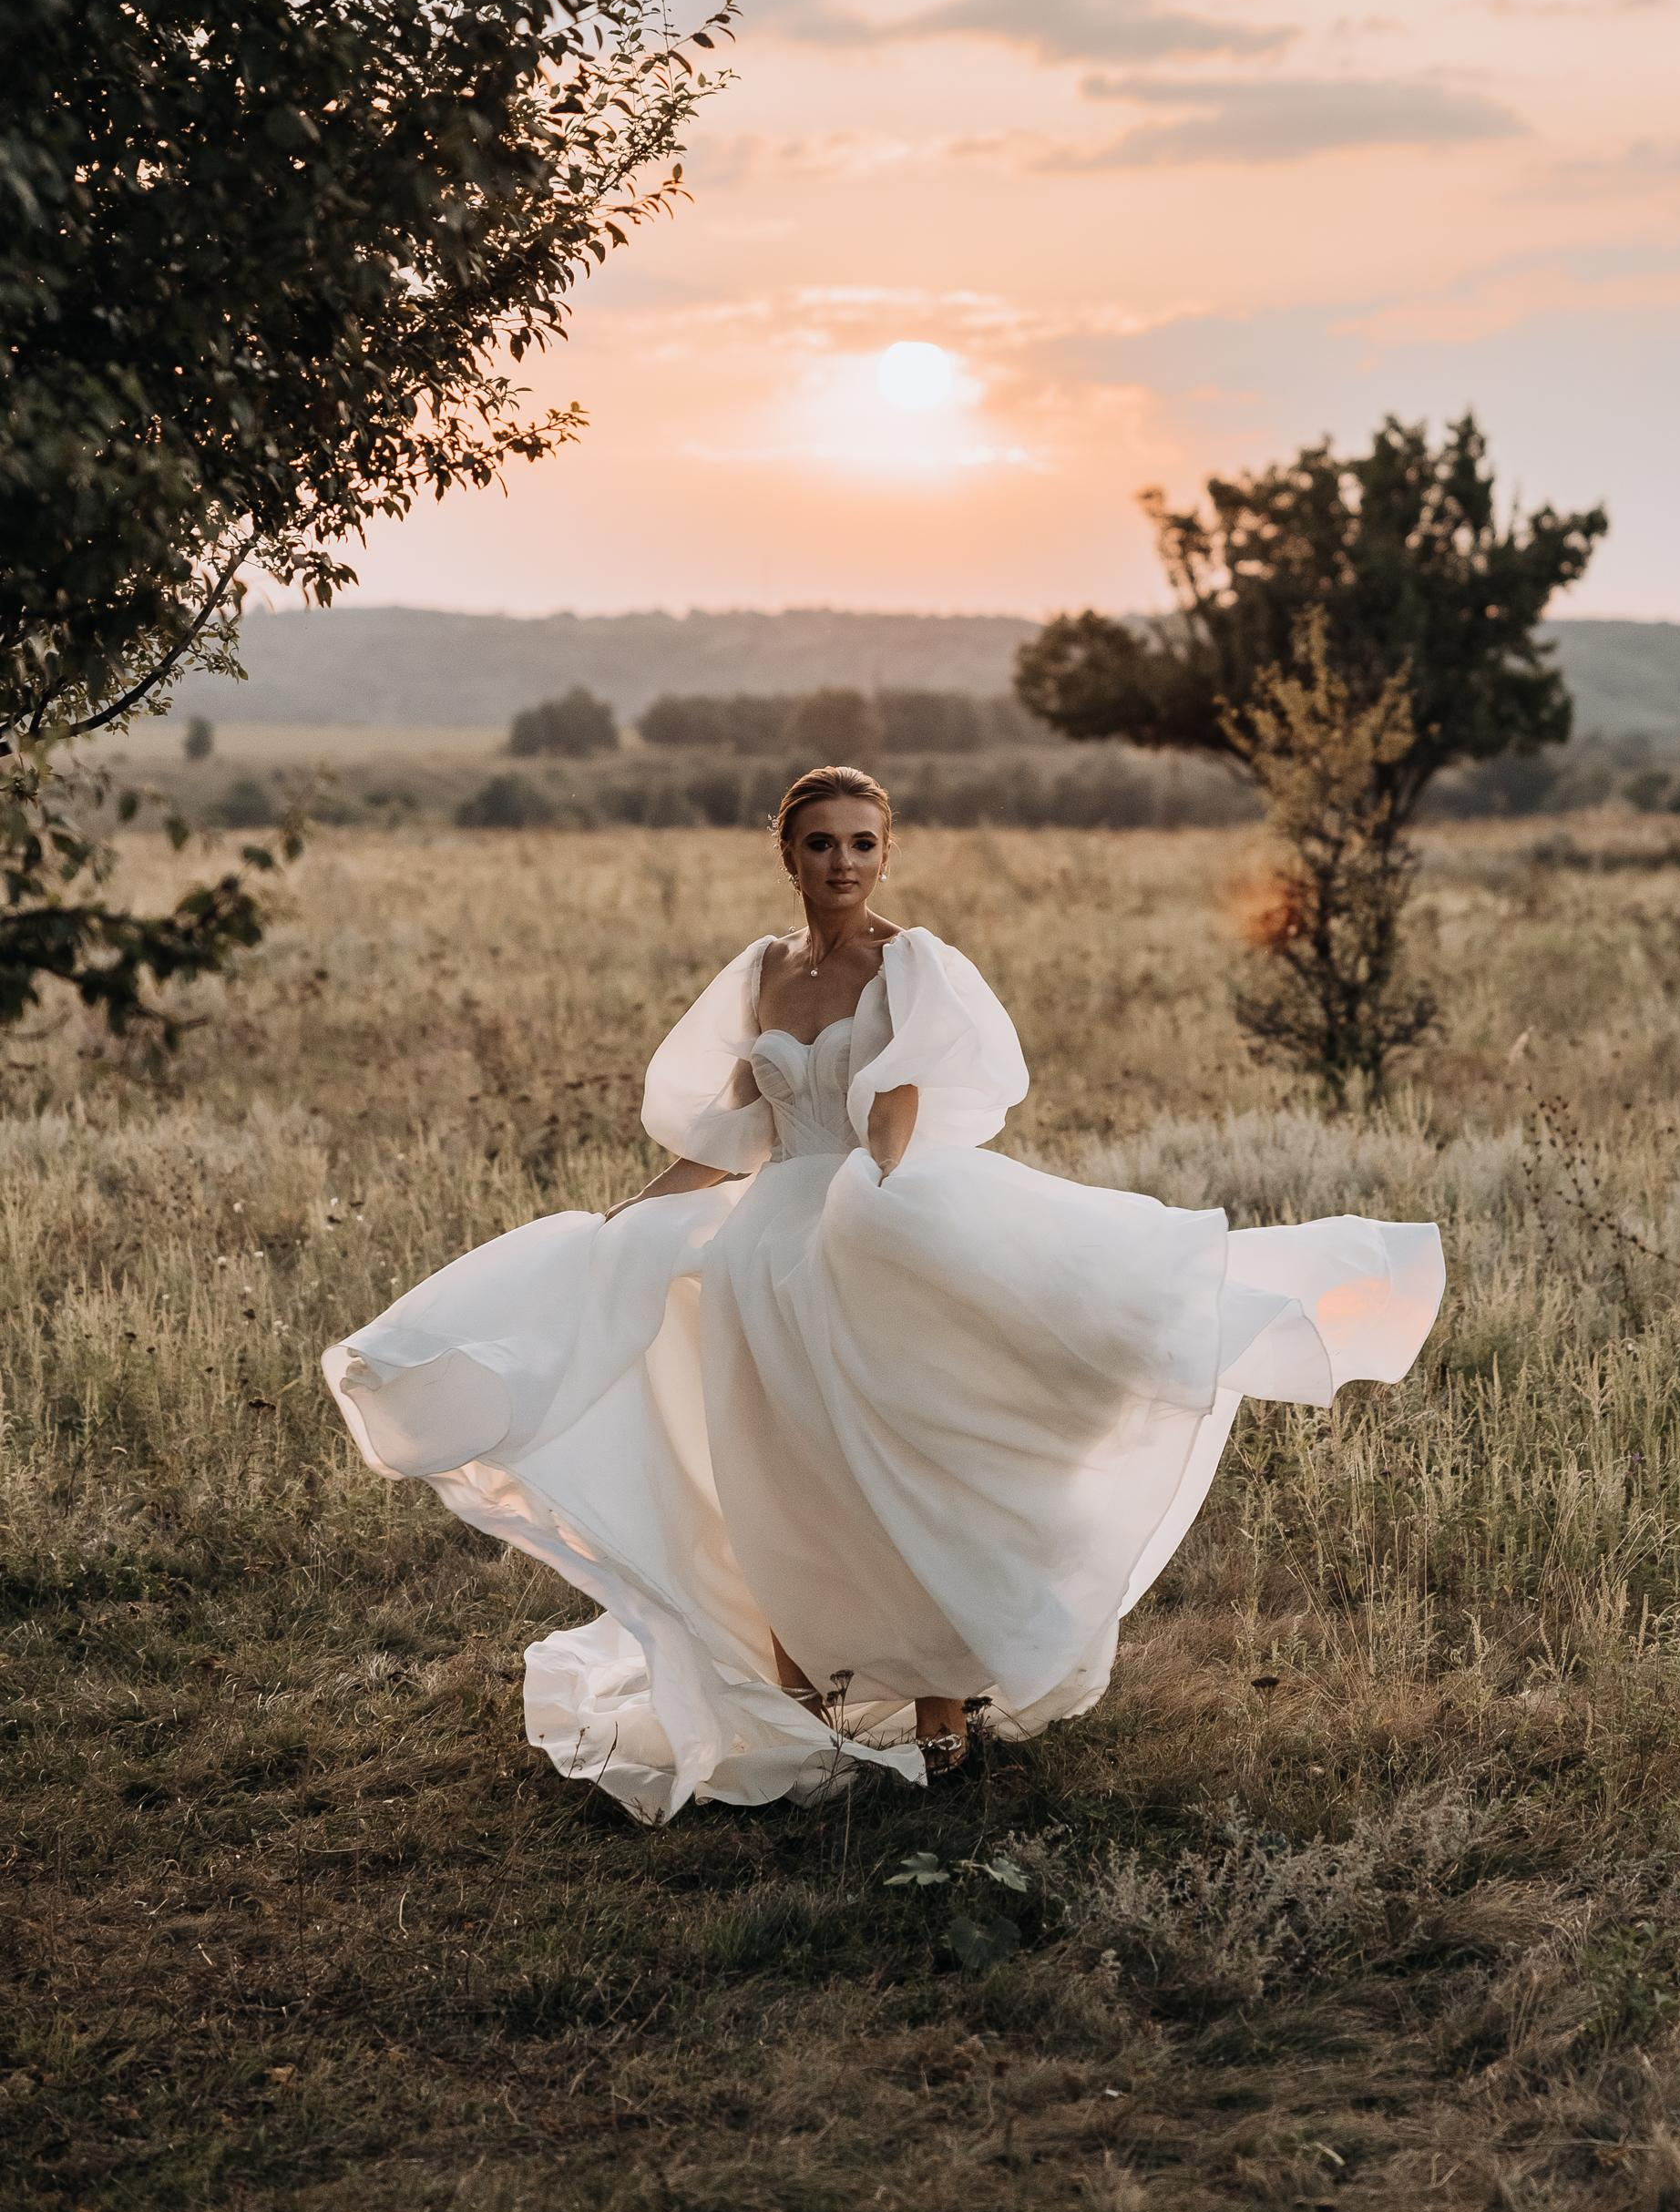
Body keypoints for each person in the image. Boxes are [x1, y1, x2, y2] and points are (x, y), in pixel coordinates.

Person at [323, 765, 1445, 1818]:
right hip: (760, 1256)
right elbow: (733, 1138)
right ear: (789, 856)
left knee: (892, 1464)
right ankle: (802, 1702)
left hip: (862, 1225)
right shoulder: (760, 973)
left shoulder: (909, 966)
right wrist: (627, 1216)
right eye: (820, 845)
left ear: (886, 854)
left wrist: (879, 1190)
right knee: (777, 1475)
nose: (842, 863)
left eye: (862, 844)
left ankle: (940, 1712)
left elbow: (897, 1104)